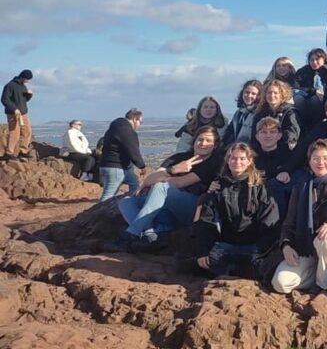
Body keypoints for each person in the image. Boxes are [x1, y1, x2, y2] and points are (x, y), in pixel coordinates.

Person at [271, 139, 327, 296]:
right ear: (309, 161)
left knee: (326, 238)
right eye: (316, 158)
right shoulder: (300, 187)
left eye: (326, 158)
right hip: (305, 249)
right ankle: (316, 276)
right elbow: (289, 223)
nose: (321, 163)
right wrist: (286, 246)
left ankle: (325, 284)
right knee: (280, 283)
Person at [115, 125, 224, 251]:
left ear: (215, 145)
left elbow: (180, 183)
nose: (203, 143)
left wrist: (160, 179)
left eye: (208, 141)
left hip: (193, 209)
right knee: (126, 202)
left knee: (161, 187)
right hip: (167, 210)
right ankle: (151, 234)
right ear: (194, 141)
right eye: (200, 139)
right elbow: (149, 180)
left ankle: (130, 235)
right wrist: (173, 170)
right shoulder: (179, 158)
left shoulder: (213, 162)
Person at [192, 142, 280, 277]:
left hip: (254, 246)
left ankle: (241, 269)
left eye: (242, 158)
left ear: (249, 161)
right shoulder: (218, 186)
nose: (237, 162)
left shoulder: (260, 187)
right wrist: (202, 251)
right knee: (210, 262)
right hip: (226, 245)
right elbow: (207, 220)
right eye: (233, 158)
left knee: (262, 267)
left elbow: (270, 219)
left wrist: (262, 249)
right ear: (227, 160)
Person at [254, 117, 305, 216]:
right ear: (257, 136)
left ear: (279, 136)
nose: (268, 135)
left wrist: (286, 172)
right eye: (264, 132)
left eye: (272, 132)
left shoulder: (289, 156)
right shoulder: (250, 157)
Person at [97, 108, 145, 202]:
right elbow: (132, 149)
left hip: (115, 166)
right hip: (116, 167)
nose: (140, 125)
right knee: (108, 196)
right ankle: (99, 211)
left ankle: (131, 205)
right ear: (135, 119)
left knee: (134, 185)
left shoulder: (114, 128)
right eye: (140, 122)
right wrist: (141, 165)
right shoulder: (127, 131)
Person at [253, 80, 301, 151]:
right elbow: (254, 135)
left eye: (275, 93)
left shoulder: (290, 112)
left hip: (283, 150)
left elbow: (292, 135)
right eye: (269, 93)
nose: (272, 95)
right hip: (262, 150)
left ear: (282, 95)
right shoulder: (260, 113)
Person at [294, 49, 327, 127]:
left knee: (315, 100)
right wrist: (314, 91)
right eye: (312, 60)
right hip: (306, 97)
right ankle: (302, 123)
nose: (314, 62)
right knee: (298, 98)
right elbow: (296, 87)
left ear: (324, 59)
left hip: (323, 99)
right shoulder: (302, 71)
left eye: (317, 59)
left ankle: (318, 125)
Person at [2, 70, 34, 159]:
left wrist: (29, 95)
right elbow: (4, 99)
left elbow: (24, 100)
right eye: (27, 79)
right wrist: (14, 109)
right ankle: (9, 153)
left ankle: (23, 151)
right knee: (14, 133)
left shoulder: (23, 86)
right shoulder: (10, 85)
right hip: (13, 114)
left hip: (23, 113)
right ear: (23, 77)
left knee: (27, 132)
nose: (28, 81)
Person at [222, 80, 263, 146]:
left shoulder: (260, 114)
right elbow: (230, 132)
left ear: (259, 96)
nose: (249, 96)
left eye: (253, 94)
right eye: (247, 92)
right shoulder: (239, 113)